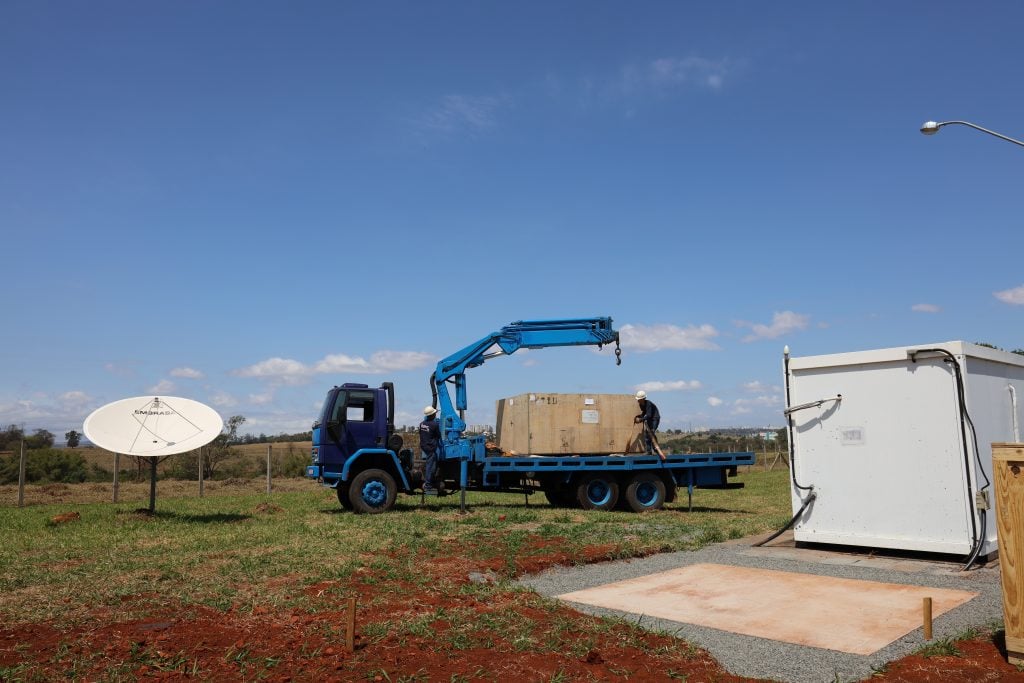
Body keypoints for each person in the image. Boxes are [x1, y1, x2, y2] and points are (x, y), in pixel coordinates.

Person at [419, 405, 442, 494]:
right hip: (431, 448)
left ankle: (431, 480)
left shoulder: (421, 424)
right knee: (430, 466)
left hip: (424, 446)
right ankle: (428, 485)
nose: (435, 414)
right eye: (434, 413)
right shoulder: (435, 425)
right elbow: (439, 436)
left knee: (432, 463)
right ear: (432, 415)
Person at [634, 390, 661, 455]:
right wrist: (638, 416)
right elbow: (644, 413)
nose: (638, 401)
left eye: (639, 399)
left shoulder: (649, 404)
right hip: (649, 419)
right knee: (647, 435)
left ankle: (656, 450)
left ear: (643, 399)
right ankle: (649, 451)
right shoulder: (641, 405)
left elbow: (649, 415)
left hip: (655, 419)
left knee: (651, 433)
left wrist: (640, 420)